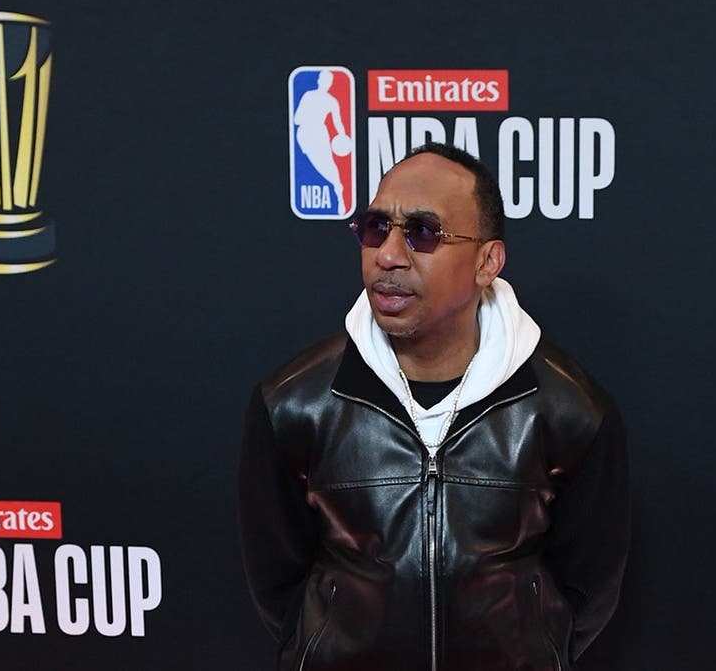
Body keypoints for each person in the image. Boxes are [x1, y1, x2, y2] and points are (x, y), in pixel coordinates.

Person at [239, 142, 629, 670]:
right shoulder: (294, 403)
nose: (388, 255)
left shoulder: (569, 410)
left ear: (486, 262)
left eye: (422, 233)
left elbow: (586, 592)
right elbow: (279, 587)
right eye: (376, 228)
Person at [293, 69, 350, 215]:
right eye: (323, 79)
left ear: (330, 83)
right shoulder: (308, 96)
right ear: (319, 81)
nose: (325, 83)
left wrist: (342, 136)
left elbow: (338, 123)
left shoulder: (331, 101)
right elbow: (296, 119)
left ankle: (339, 192)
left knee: (330, 167)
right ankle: (338, 189)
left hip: (320, 134)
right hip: (305, 135)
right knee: (320, 167)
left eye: (328, 81)